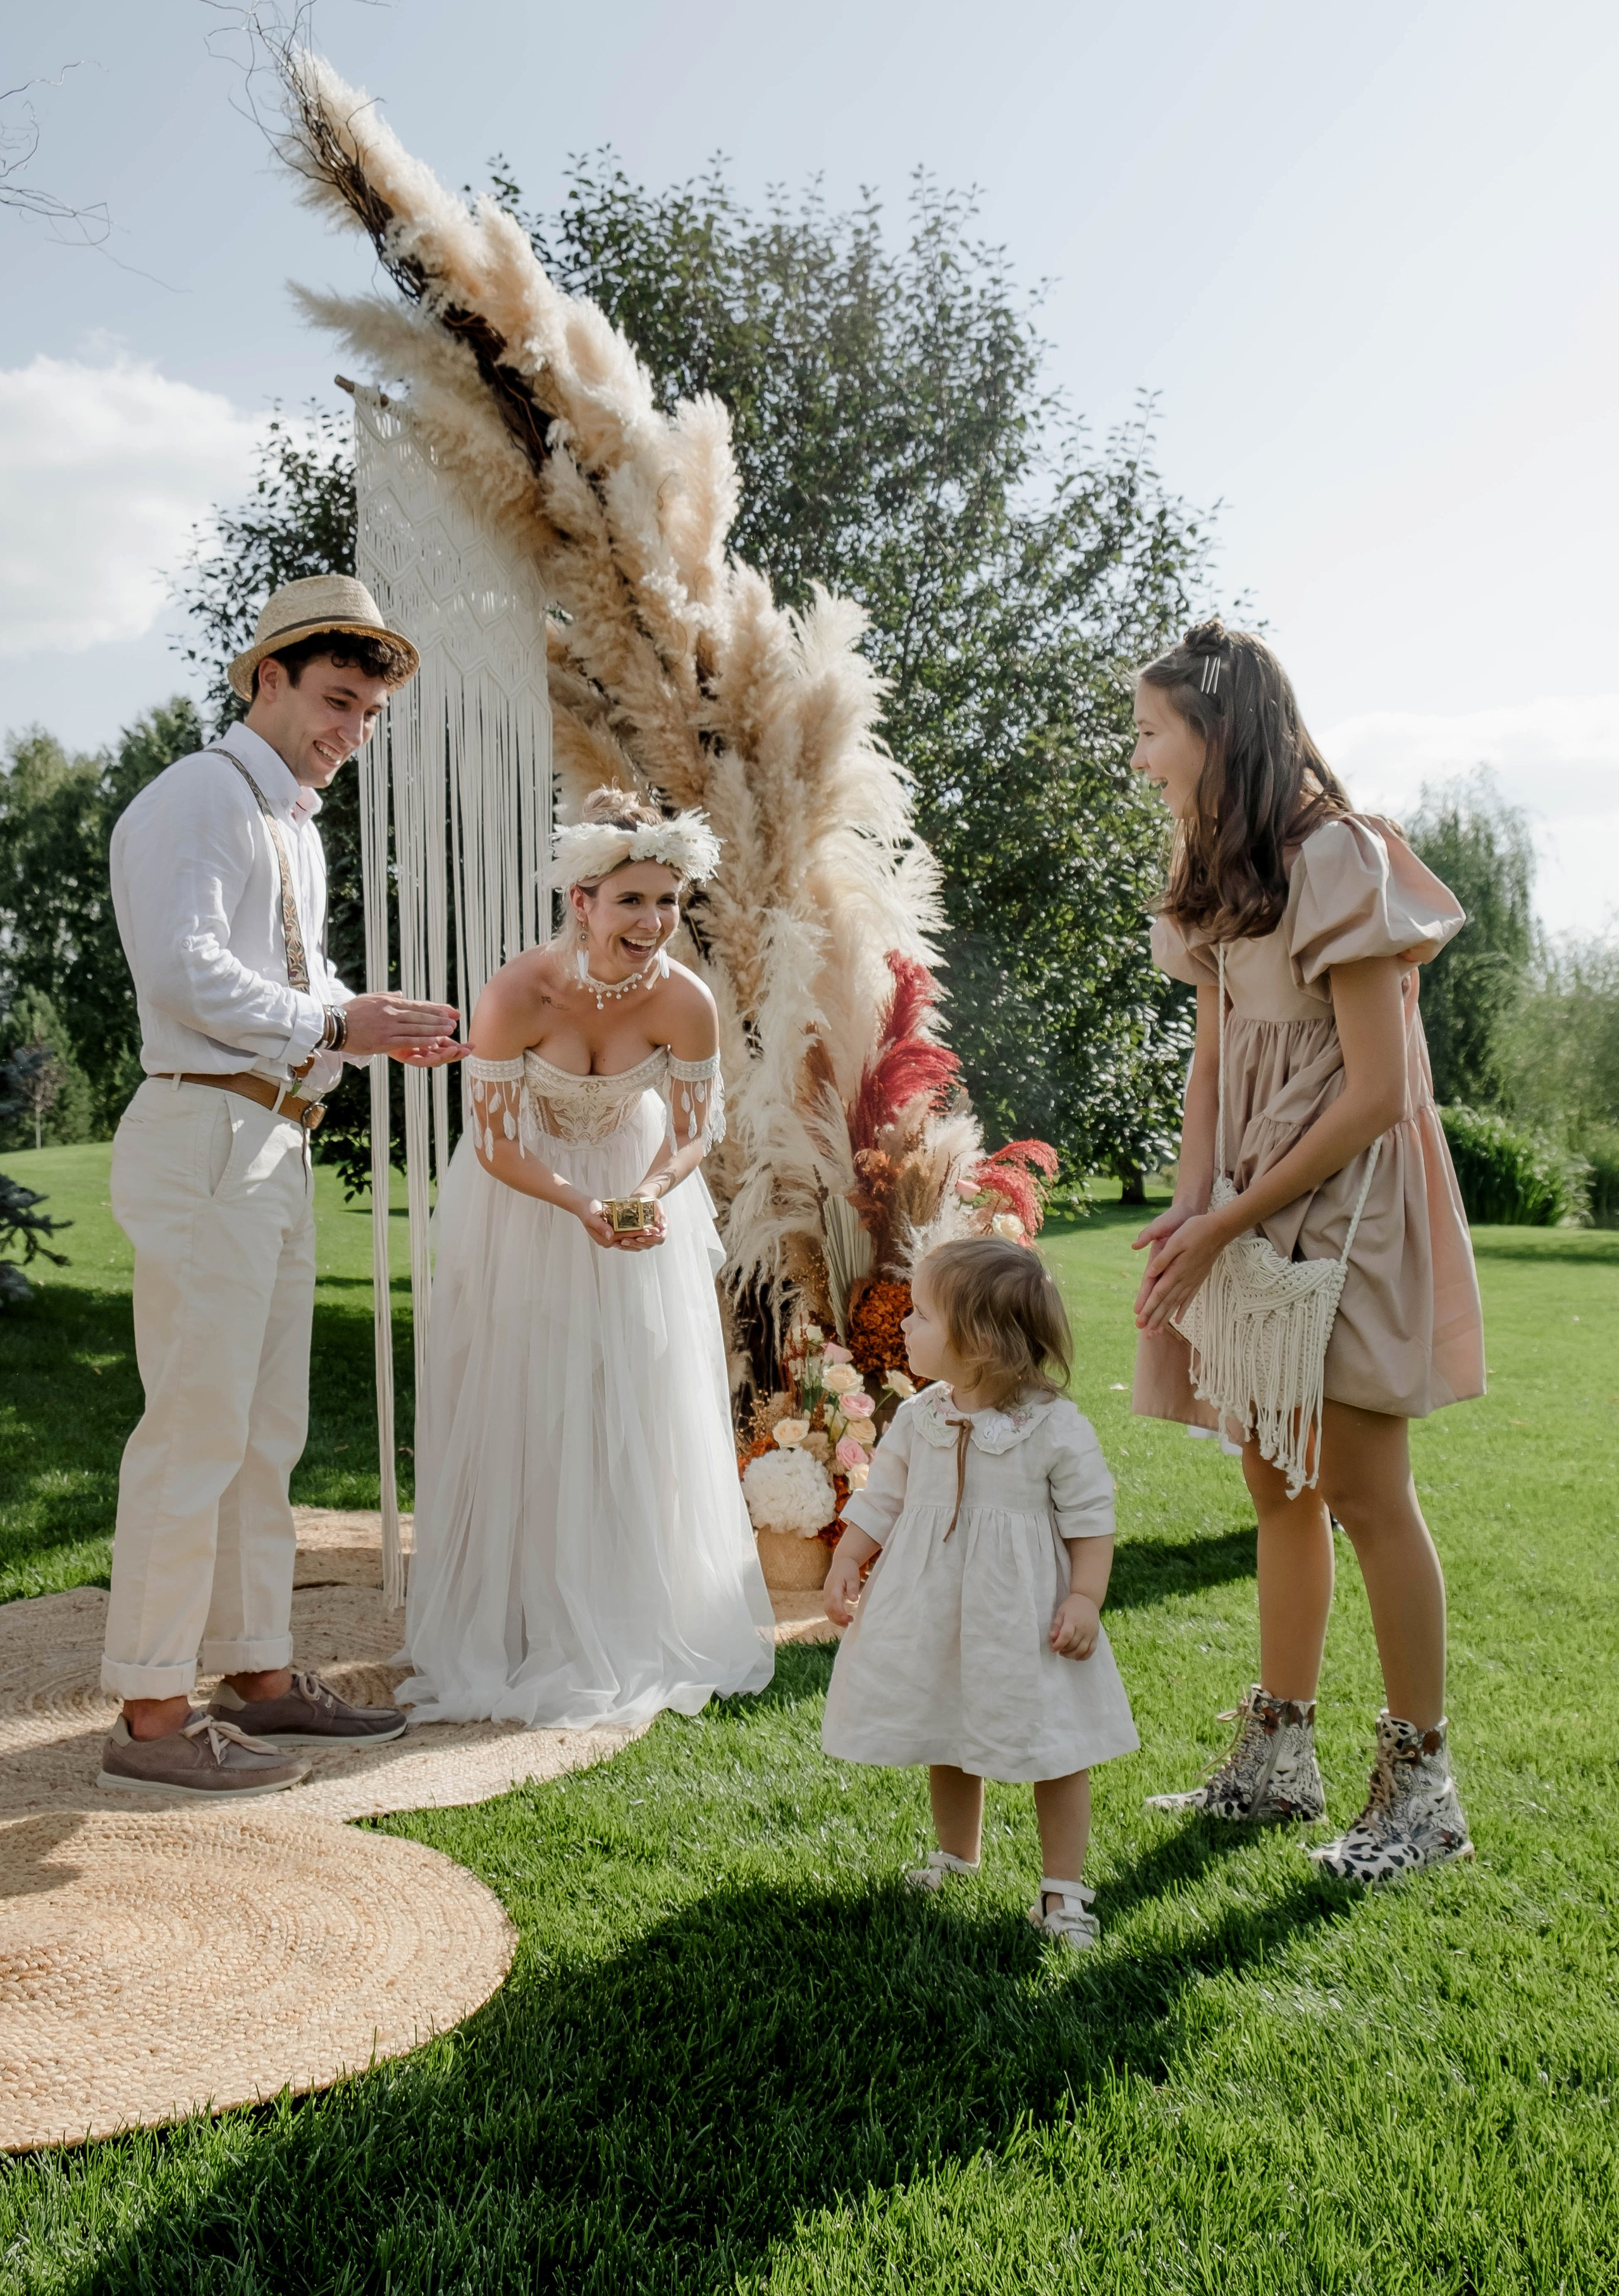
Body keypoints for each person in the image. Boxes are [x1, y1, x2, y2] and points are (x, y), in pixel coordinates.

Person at [99, 574, 469, 1798]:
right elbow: (188, 971)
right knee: (195, 1429)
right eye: (335, 701)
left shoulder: (292, 821)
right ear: (267, 677)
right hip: (204, 1135)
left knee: (266, 1435)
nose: (350, 733)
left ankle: (256, 1672)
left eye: (368, 714)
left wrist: (367, 1028)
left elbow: (288, 986)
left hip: (270, 1141)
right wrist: (332, 1015)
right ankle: (151, 1716)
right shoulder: (198, 795)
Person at [1130, 618, 1484, 1883]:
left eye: (1150, 732)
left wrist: (1228, 1214)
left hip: (1341, 1197)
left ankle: (1420, 1791)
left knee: (1362, 1492)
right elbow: (1211, 1070)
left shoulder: (1337, 857)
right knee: (1273, 1479)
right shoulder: (1211, 875)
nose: (1139, 759)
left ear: (1216, 733)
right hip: (1246, 1198)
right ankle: (1276, 1757)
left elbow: (1375, 1092)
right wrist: (1190, 1210)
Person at [400, 786, 774, 1729]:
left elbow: (695, 1136)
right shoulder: (519, 992)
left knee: (633, 1393)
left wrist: (646, 1194)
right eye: (632, 902)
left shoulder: (686, 1004)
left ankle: (629, 1605)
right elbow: (491, 1145)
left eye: (668, 902)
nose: (654, 924)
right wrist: (578, 1205)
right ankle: (522, 1620)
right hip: (525, 1200)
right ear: (582, 903)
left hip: (636, 1188)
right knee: (526, 1391)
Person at [820, 1238, 1139, 1951]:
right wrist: (848, 1555)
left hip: (1024, 1617)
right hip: (936, 1605)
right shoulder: (920, 1415)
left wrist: (1085, 1598)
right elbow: (885, 1498)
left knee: (1050, 1742)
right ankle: (956, 1854)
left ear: (980, 1342)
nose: (903, 1324)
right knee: (946, 1721)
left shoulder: (1053, 1427)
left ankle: (1063, 1889)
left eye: (922, 1314)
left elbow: (1091, 1522)